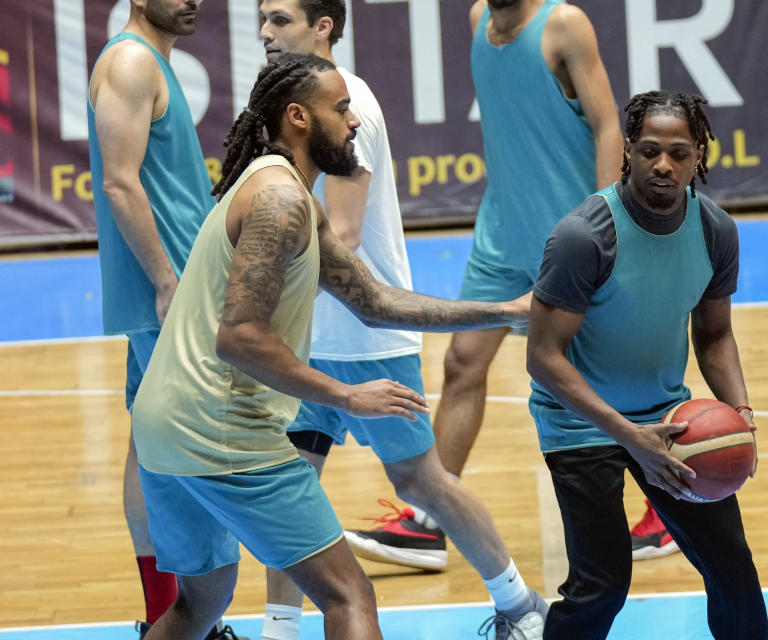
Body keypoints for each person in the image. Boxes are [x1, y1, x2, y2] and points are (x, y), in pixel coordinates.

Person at [130, 52, 545, 640]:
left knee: (201, 605)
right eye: (342, 109)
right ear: (299, 117)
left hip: (162, 430)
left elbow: (376, 302)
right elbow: (239, 337)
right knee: (348, 595)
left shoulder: (285, 193)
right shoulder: (281, 201)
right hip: (219, 431)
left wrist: (504, 310)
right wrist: (346, 396)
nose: (354, 123)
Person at [348, 0, 678, 565]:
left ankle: (666, 511)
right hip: (501, 234)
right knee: (462, 364)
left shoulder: (563, 25)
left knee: (616, 374)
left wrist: (604, 221)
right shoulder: (480, 21)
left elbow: (606, 124)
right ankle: (431, 516)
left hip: (570, 233)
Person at [254, 5, 548, 640]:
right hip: (307, 341)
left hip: (366, 338)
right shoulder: (288, 104)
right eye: (262, 19)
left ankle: (520, 606)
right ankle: (279, 629)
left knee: (422, 479)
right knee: (288, 484)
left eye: (279, 18)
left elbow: (347, 233)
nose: (265, 33)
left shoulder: (345, 102)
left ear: (323, 25)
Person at [524, 90, 768, 639]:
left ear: (699, 156)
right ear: (628, 152)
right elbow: (542, 358)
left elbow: (715, 333)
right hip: (580, 425)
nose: (663, 164)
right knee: (602, 584)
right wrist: (630, 436)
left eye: (679, 153)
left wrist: (741, 411)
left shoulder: (714, 231)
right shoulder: (583, 237)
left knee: (732, 568)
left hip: (669, 418)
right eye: (649, 151)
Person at [86, 1, 241, 637]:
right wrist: (167, 279)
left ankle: (164, 616)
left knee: (145, 448)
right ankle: (187, 620)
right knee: (191, 456)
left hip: (174, 296)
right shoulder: (129, 61)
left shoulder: (153, 63)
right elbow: (120, 184)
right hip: (170, 301)